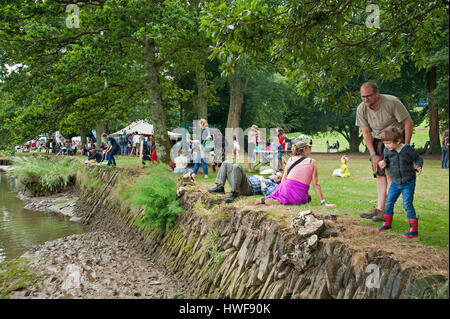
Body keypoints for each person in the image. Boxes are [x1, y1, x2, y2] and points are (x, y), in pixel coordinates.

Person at [356, 81, 414, 222]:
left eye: (368, 96)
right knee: (380, 175)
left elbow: (408, 123)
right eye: (362, 97)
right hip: (378, 141)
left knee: (390, 177)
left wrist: (405, 147)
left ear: (377, 93)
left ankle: (387, 212)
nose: (365, 100)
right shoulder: (362, 108)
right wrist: (373, 155)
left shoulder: (392, 102)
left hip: (394, 141)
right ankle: (379, 209)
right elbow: (365, 133)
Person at [254, 141, 336, 207]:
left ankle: (276, 199)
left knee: (282, 197)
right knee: (303, 198)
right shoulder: (312, 161)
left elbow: (284, 179)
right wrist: (323, 202)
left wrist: (278, 191)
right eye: (309, 148)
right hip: (298, 192)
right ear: (304, 149)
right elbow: (316, 184)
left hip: (285, 187)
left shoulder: (290, 159)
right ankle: (278, 201)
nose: (310, 151)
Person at [375, 126, 423, 238]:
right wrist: (383, 163)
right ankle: (387, 224)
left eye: (388, 143)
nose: (386, 146)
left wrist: (419, 166)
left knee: (407, 204)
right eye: (385, 143)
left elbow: (418, 158)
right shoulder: (388, 150)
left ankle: (413, 230)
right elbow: (387, 160)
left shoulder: (407, 150)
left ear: (398, 141)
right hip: (395, 182)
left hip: (408, 182)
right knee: (389, 202)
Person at [207, 162, 282, 203]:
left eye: (275, 174)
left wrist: (262, 180)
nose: (273, 174)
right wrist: (258, 177)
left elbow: (267, 193)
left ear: (278, 179)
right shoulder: (266, 178)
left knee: (237, 166)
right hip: (241, 182)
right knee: (225, 163)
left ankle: (234, 193)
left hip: (248, 188)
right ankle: (220, 187)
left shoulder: (273, 184)